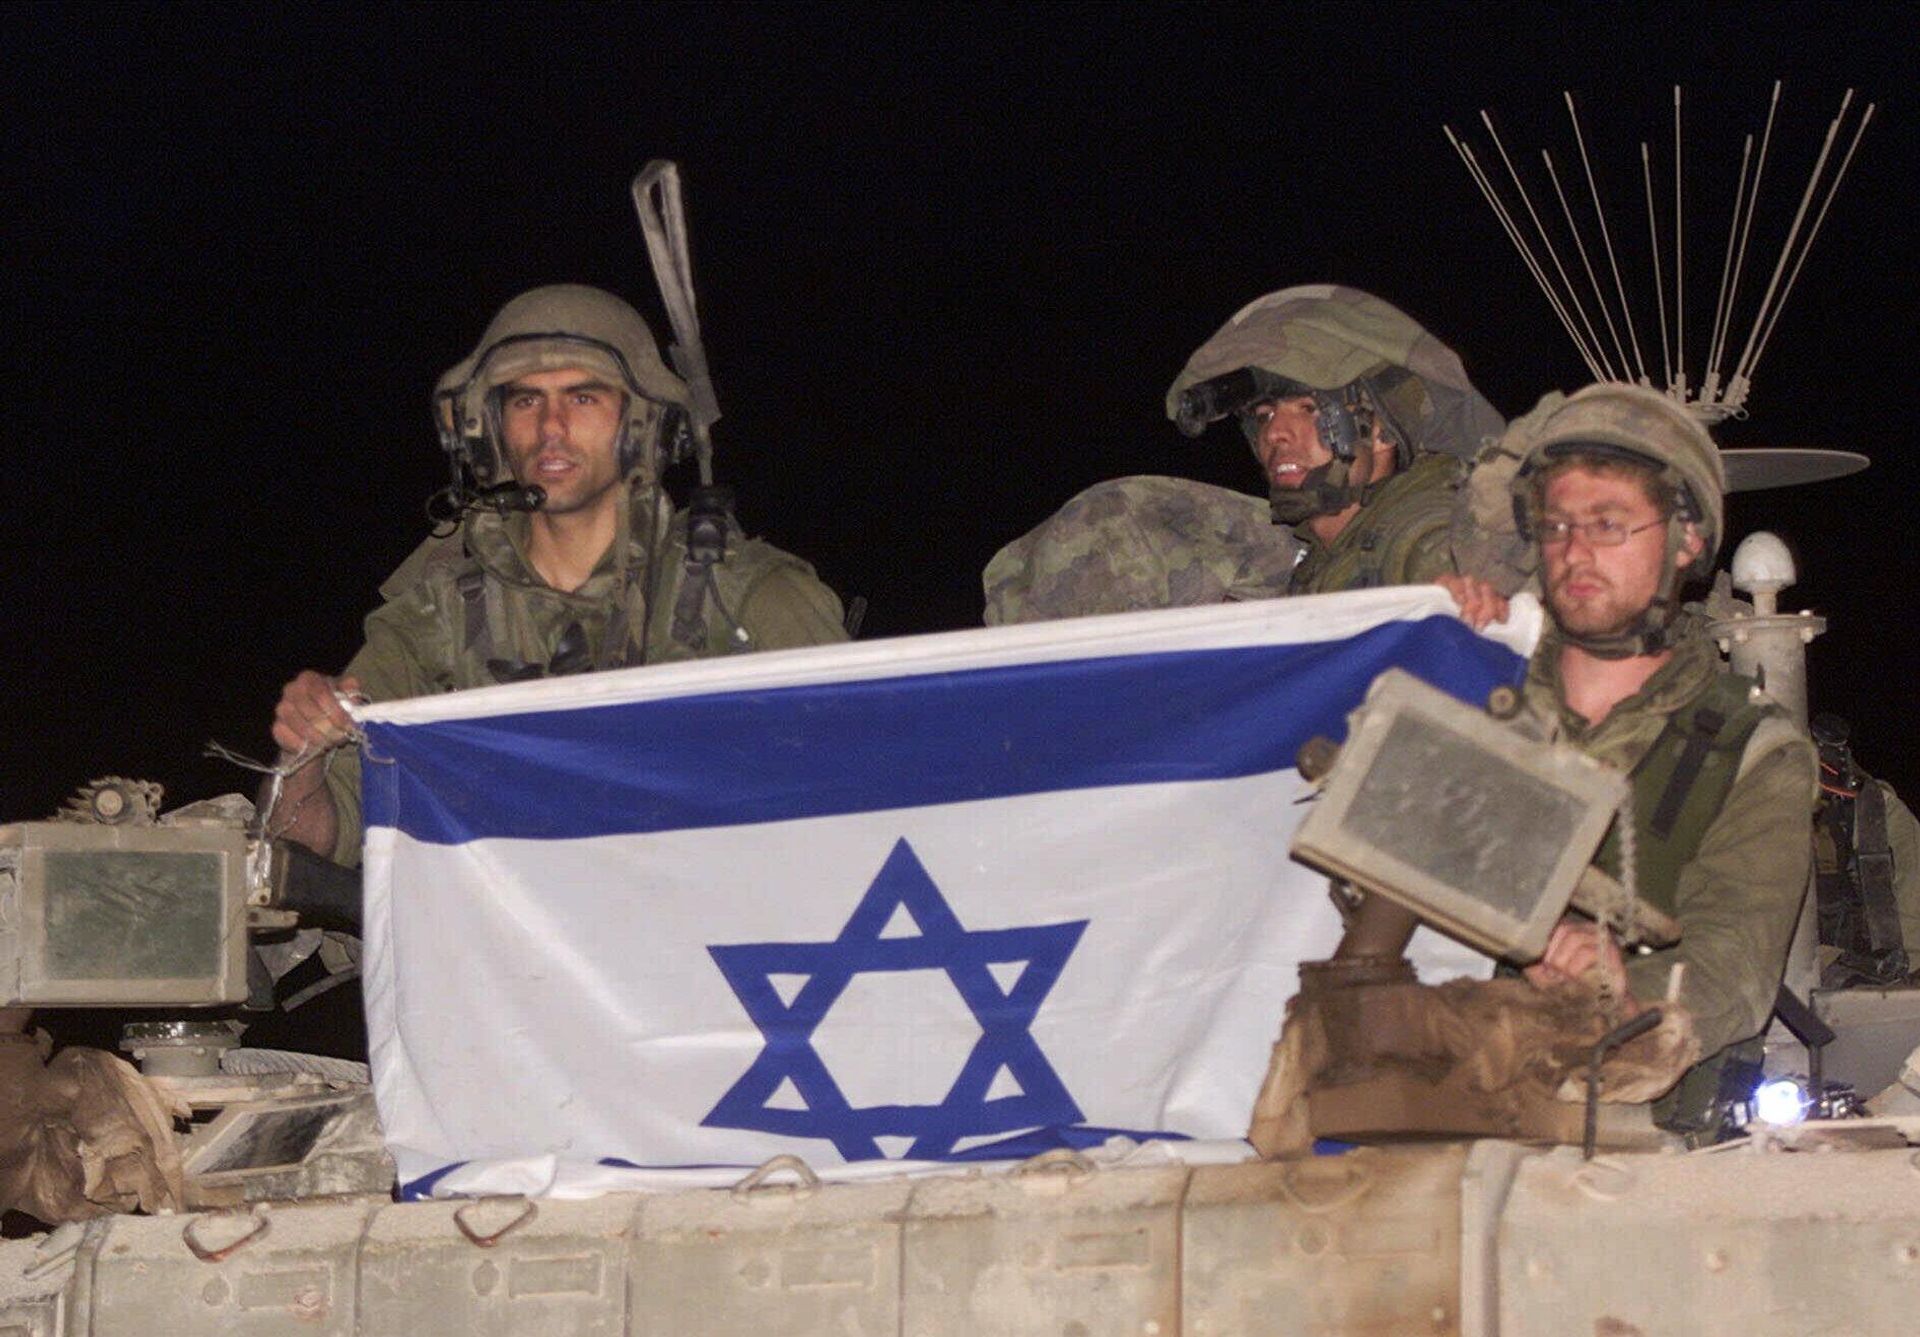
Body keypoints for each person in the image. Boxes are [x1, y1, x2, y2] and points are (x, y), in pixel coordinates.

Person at [268, 284, 848, 866]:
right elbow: (318, 839)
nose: (550, 427)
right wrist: (305, 756)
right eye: (524, 402)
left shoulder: (749, 601)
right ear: (488, 429)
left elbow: (864, 798)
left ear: (642, 425)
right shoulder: (434, 626)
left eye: (583, 399)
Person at [1450, 381, 1818, 1137]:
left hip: (1623, 1146)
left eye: (1610, 524)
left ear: (1686, 539)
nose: (1575, 551)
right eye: (1555, 526)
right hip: (1410, 1105)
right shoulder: (1472, 689)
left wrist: (1626, 995)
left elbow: (1734, 968)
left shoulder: (1752, 750)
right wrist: (1422, 638)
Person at [982, 284, 1509, 622]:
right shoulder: (1311, 557)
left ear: (1381, 431)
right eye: (1262, 417)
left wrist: (1451, 598)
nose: (1277, 432)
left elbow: (1451, 565)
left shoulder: (1427, 520)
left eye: (1305, 407)